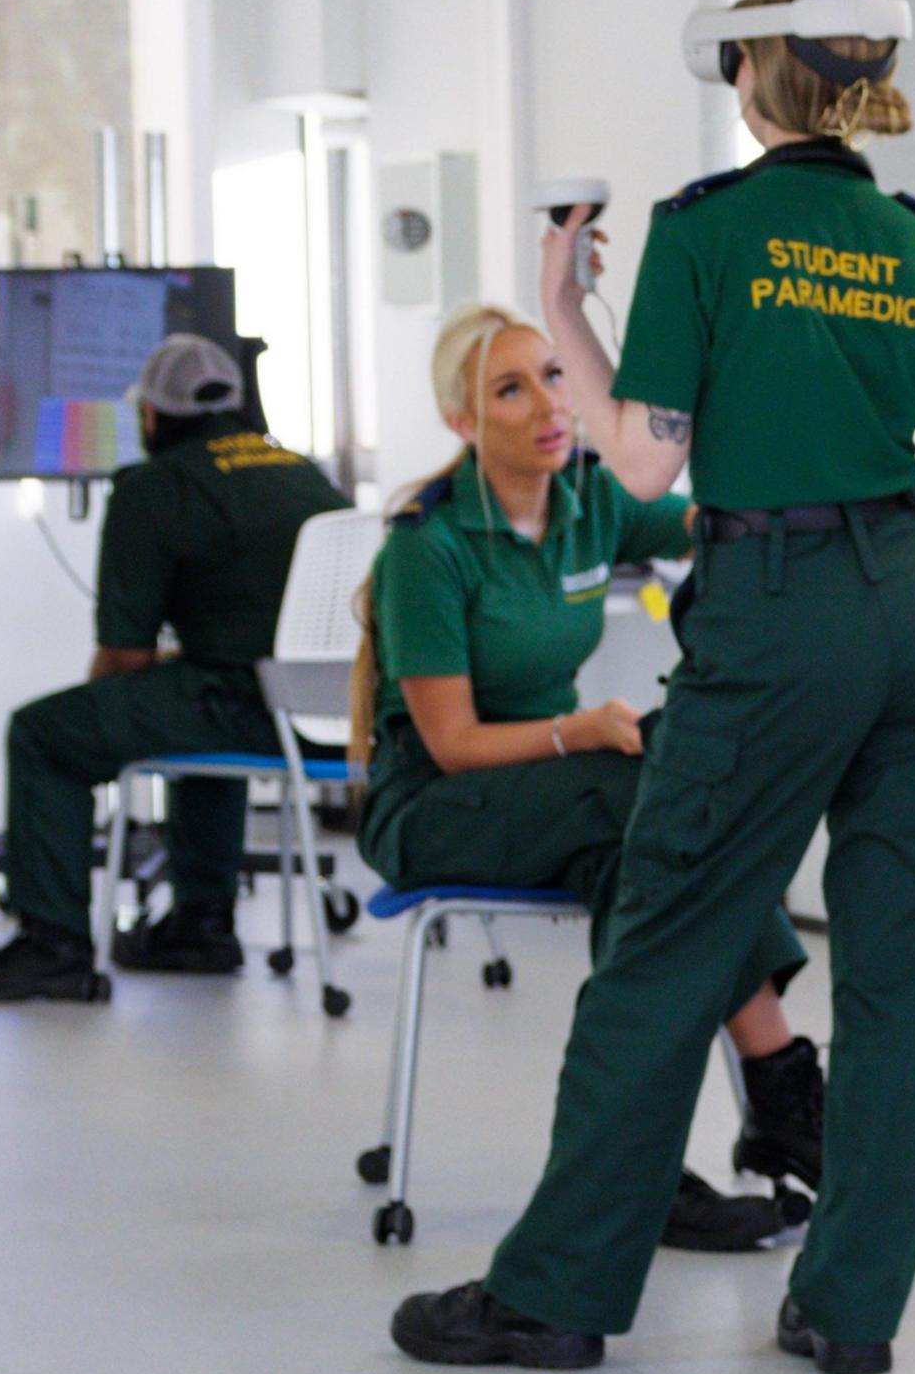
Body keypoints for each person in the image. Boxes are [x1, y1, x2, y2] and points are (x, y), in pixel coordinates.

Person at [393, 0, 915, 1374]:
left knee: (665, 945)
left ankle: (554, 1295)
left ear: (752, 74)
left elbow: (648, 462)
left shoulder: (704, 232)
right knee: (897, 982)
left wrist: (565, 312)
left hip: (779, 613)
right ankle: (848, 1313)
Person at [354, 303, 829, 1254]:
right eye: (510, 388)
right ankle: (785, 1088)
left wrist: (799, 500)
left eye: (553, 376)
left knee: (643, 864)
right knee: (640, 797)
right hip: (435, 803)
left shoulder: (587, 500)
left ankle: (646, 1171)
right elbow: (452, 744)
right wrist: (581, 729)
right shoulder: (428, 544)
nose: (547, 403)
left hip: (560, 800)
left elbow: (705, 518)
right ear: (462, 422)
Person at [0, 334, 350, 1002]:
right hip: (333, 717)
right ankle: (201, 925)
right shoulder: (306, 474)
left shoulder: (153, 488)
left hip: (241, 706)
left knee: (44, 735)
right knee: (189, 708)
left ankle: (52, 945)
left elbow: (125, 657)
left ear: (151, 417)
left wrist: (100, 715)